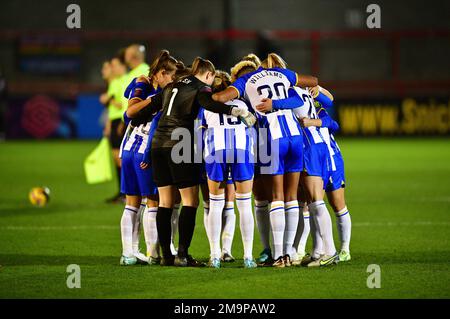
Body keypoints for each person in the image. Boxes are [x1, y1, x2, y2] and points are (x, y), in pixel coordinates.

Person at [126, 57, 256, 267]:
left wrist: (133, 116)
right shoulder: (200, 87)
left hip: (158, 144)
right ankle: (183, 255)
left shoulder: (171, 86)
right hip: (179, 143)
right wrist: (235, 111)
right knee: (190, 201)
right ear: (208, 74)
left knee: (165, 202)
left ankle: (166, 255)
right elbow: (209, 103)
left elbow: (145, 111)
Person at [212, 53, 317, 268]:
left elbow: (221, 98)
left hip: (273, 137)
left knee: (276, 196)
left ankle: (279, 255)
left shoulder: (245, 82)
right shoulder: (279, 73)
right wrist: (278, 103)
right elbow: (309, 85)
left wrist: (203, 93)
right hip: (295, 136)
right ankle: (289, 254)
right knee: (291, 198)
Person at [118, 50, 178, 266]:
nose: (171, 82)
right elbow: (130, 112)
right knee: (152, 202)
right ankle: (153, 253)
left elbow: (129, 104)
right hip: (144, 151)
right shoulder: (151, 88)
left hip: (128, 150)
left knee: (132, 203)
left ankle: (129, 253)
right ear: (161, 73)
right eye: (170, 77)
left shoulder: (142, 83)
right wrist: (154, 99)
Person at [199, 70, 257, 268]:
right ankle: (248, 257)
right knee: (244, 205)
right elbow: (252, 127)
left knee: (215, 205)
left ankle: (215, 255)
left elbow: (201, 133)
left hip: (217, 151)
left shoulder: (206, 107)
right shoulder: (242, 104)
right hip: (241, 150)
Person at [301, 86, 352, 262]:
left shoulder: (318, 110)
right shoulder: (294, 112)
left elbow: (334, 124)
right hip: (316, 160)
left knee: (337, 204)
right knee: (312, 204)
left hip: (332, 159)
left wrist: (318, 88)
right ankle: (316, 250)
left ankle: (344, 249)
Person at [100, 55, 129, 203]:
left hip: (120, 121)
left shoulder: (123, 81)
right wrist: (108, 125)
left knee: (121, 159)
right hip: (114, 121)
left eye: (115, 65)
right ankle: (121, 192)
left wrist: (108, 99)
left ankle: (126, 192)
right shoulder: (116, 82)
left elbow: (120, 105)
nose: (113, 68)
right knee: (116, 159)